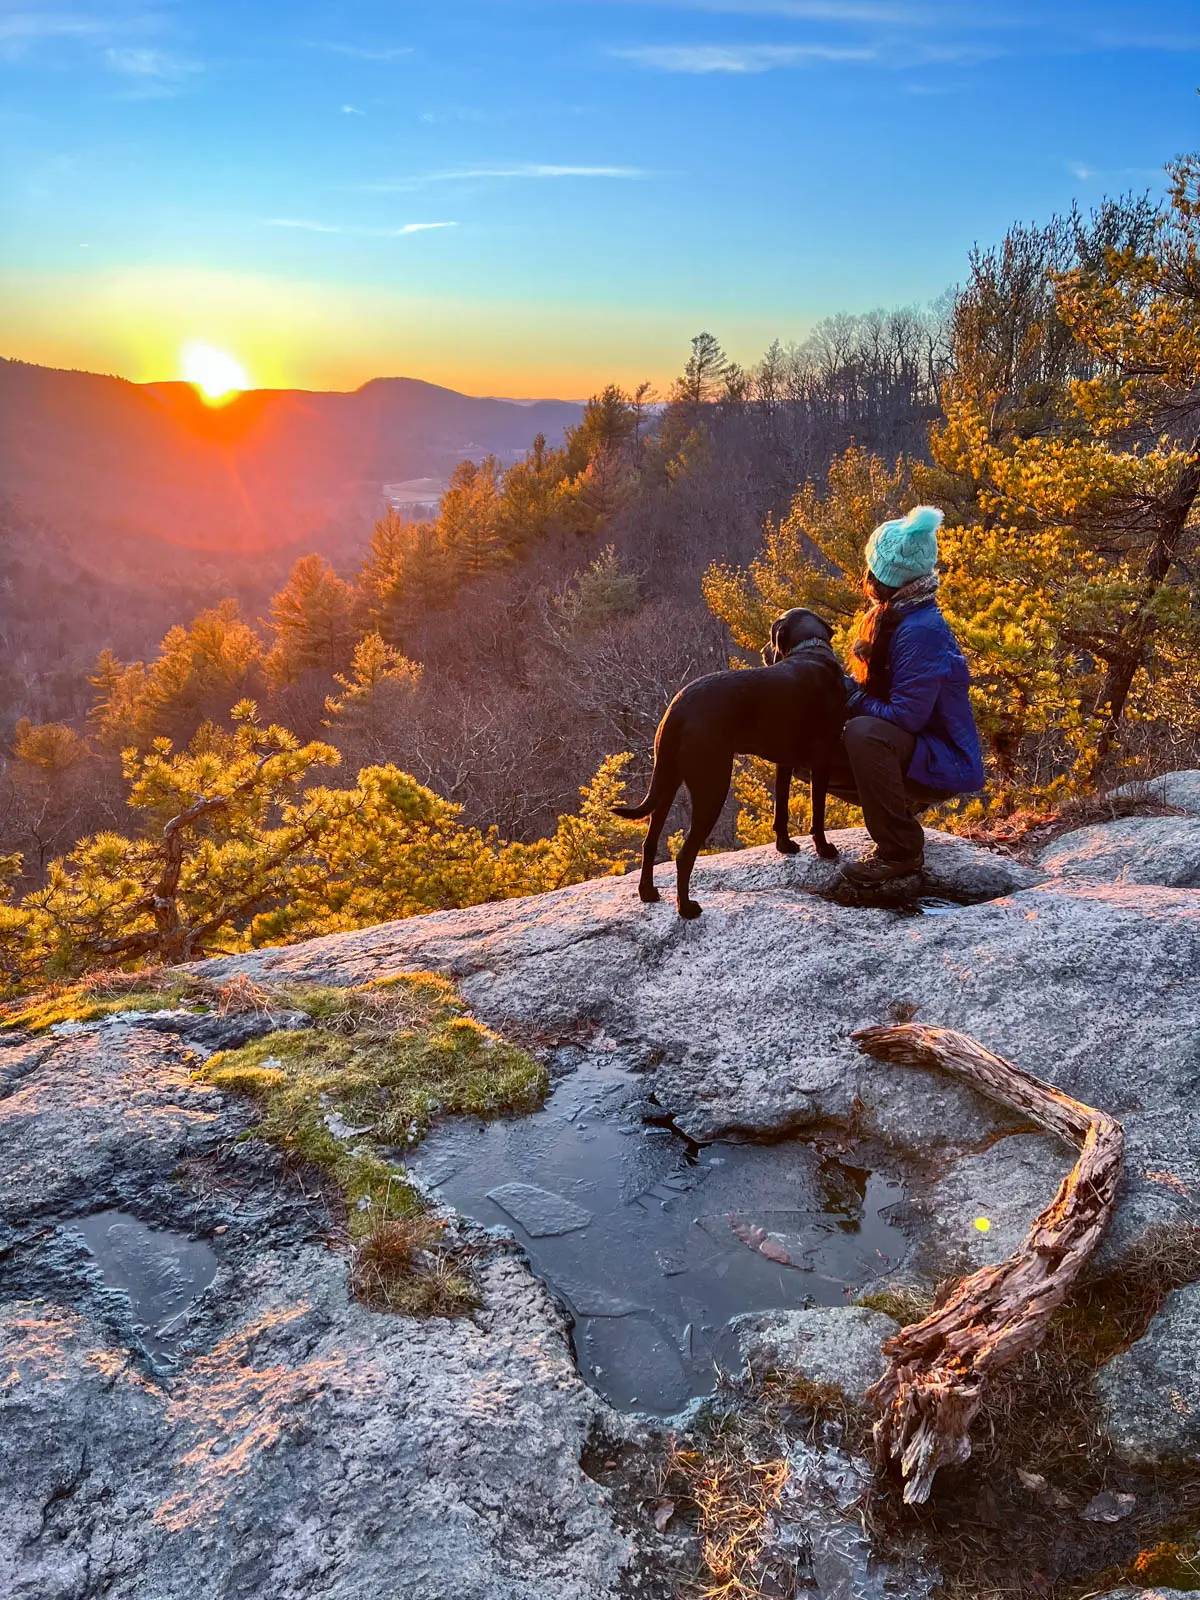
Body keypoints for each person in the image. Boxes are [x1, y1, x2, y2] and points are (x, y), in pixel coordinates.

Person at [829, 505, 985, 887]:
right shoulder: (892, 614)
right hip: (917, 749)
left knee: (862, 733)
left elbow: (905, 718)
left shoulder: (920, 630)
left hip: (941, 759)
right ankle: (899, 805)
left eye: (872, 567)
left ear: (886, 577)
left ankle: (900, 850)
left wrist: (850, 695)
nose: (865, 574)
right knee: (813, 744)